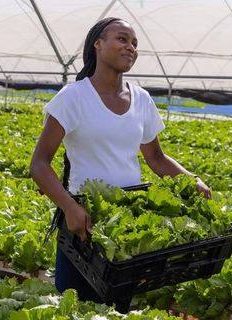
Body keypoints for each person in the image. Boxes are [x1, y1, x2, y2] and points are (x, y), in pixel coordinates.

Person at [30, 17, 211, 313]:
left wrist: (192, 179)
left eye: (135, 43)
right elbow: (39, 164)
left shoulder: (141, 99)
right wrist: (70, 208)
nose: (131, 47)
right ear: (97, 45)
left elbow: (156, 158)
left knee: (117, 308)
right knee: (75, 307)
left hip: (127, 222)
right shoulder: (73, 97)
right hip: (84, 222)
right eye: (122, 39)